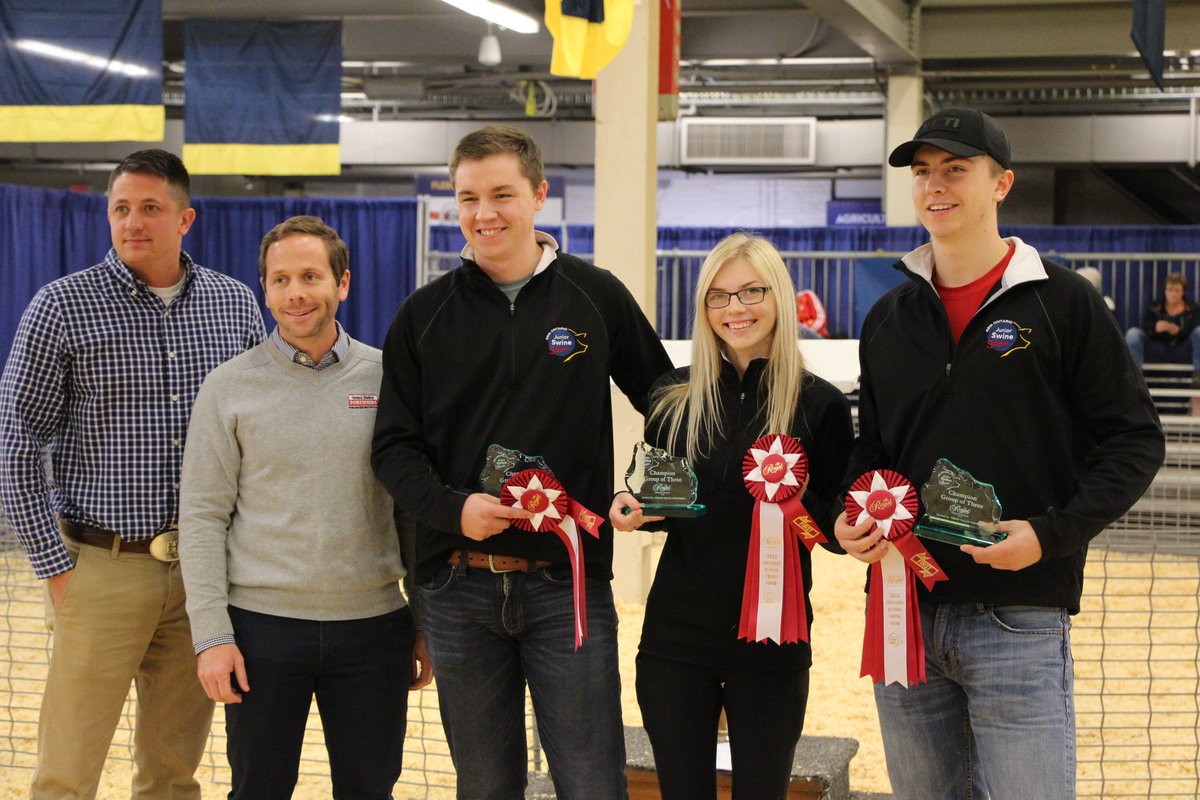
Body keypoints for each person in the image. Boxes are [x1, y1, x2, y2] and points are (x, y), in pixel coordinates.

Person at [833, 108, 1164, 799]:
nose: (935, 186)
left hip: (1018, 615)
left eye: (956, 169)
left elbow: (1136, 439)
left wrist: (1052, 535)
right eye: (923, 172)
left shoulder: (1062, 304)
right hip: (903, 611)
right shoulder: (889, 318)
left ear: (1002, 183)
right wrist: (849, 515)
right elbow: (875, 449)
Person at [371, 124, 673, 800]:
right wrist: (455, 509)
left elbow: (669, 401)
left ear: (539, 195)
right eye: (468, 197)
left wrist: (647, 491)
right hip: (456, 590)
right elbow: (392, 448)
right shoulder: (423, 316)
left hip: (568, 584)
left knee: (592, 782)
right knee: (484, 787)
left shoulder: (596, 297)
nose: (484, 214)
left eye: (502, 194)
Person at [0, 149, 265, 799]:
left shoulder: (234, 307)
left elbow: (260, 435)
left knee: (173, 773)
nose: (132, 222)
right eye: (120, 209)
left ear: (185, 219)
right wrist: (55, 566)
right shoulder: (61, 307)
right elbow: (16, 440)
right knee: (67, 771)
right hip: (99, 567)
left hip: (203, 574)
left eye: (150, 208)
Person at [178, 215, 431, 798]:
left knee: (370, 790)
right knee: (258, 789)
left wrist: (424, 622)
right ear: (264, 289)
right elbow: (203, 518)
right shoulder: (229, 387)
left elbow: (411, 514)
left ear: (342, 284)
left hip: (373, 631)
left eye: (311, 276)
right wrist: (212, 635)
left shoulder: (390, 379)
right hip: (261, 632)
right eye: (280, 279)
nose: (296, 293)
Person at [610, 234, 854, 800]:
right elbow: (669, 504)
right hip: (677, 639)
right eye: (718, 296)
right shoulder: (672, 397)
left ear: (779, 297)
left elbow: (832, 536)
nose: (734, 309)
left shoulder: (820, 405)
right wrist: (637, 510)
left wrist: (799, 506)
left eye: (750, 292)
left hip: (773, 642)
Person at [1124, 272, 1200, 381]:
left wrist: (1179, 332)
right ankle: (1134, 380)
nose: (1173, 294)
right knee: (1133, 333)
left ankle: (1199, 378)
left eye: (1177, 290)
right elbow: (1146, 328)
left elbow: (1195, 333)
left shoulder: (1193, 308)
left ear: (1183, 292)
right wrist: (1155, 329)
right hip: (1157, 348)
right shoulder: (1155, 307)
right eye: (1169, 290)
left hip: (1182, 348)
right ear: (1164, 290)